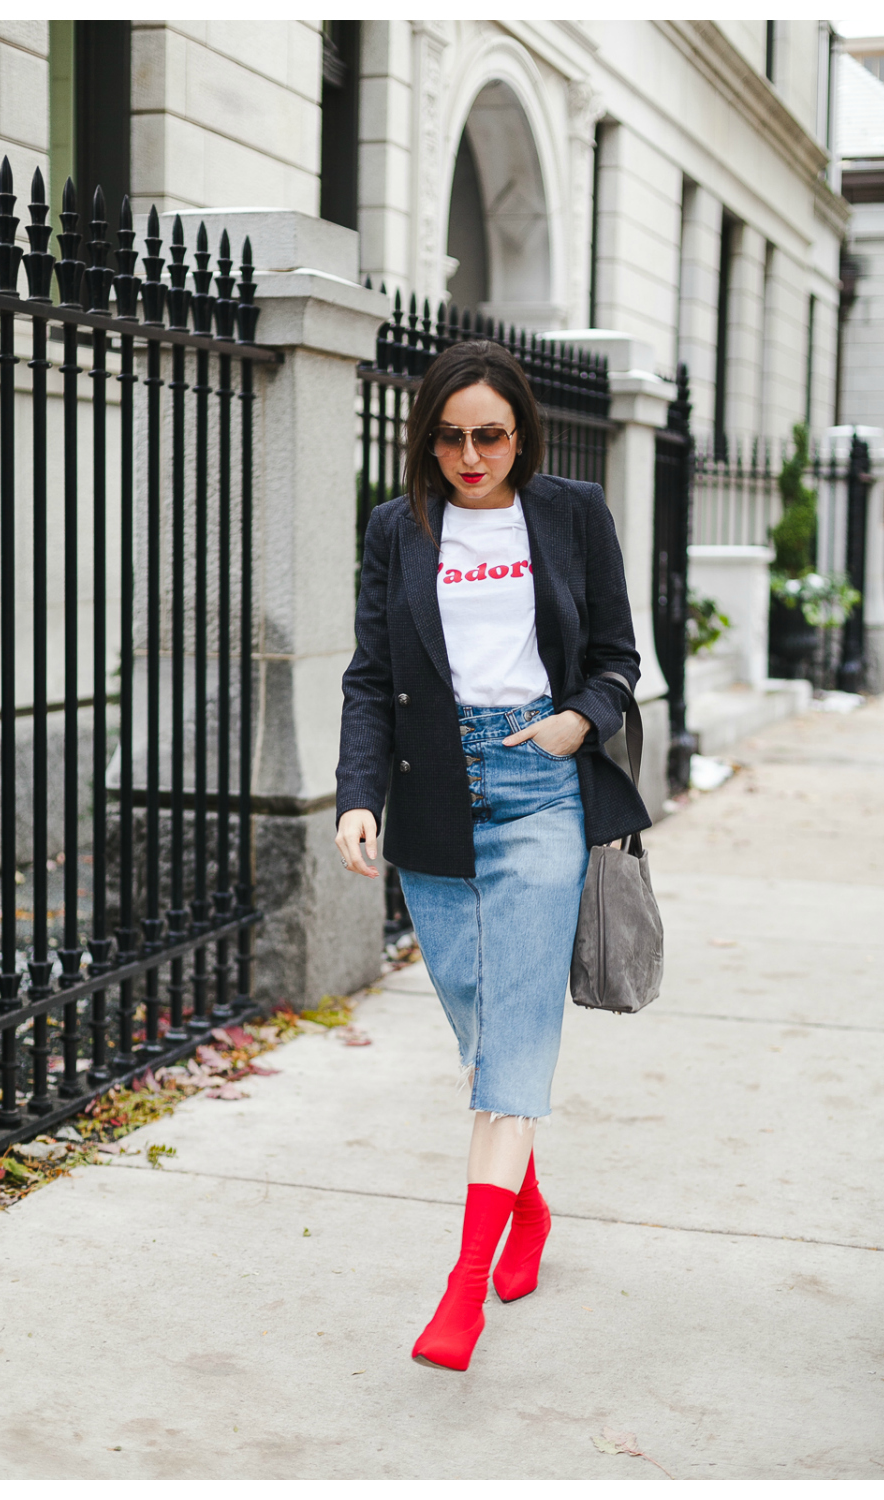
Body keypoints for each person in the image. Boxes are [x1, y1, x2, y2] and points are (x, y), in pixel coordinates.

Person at [334, 339, 649, 1371]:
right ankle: (528, 1204)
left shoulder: (570, 514)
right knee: (483, 1038)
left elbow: (615, 658)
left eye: (491, 435)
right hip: (433, 800)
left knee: (513, 1030)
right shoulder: (397, 528)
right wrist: (356, 798)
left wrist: (575, 723)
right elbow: (371, 676)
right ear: (427, 436)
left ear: (522, 435)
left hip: (536, 788)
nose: (471, 456)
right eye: (452, 436)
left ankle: (461, 1290)